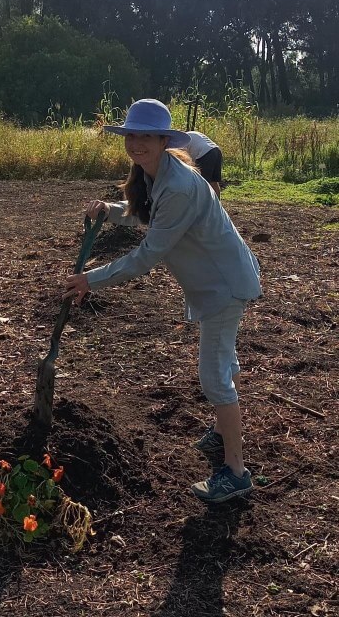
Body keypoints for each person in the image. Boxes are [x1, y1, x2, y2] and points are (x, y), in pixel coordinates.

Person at [63, 98, 262, 504]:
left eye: (146, 136)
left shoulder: (180, 186)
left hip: (223, 285)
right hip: (218, 280)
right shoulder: (155, 174)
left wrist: (90, 280)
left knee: (214, 377)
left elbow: (147, 255)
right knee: (225, 362)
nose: (136, 143)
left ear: (163, 140)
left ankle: (236, 472)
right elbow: (146, 214)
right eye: (131, 135)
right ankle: (222, 433)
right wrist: (109, 210)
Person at [185, 130, 223, 199]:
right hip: (216, 150)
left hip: (205, 153)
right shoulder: (192, 134)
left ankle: (203, 203)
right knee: (214, 182)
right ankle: (218, 203)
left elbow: (184, 160)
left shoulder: (181, 142)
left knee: (201, 183)